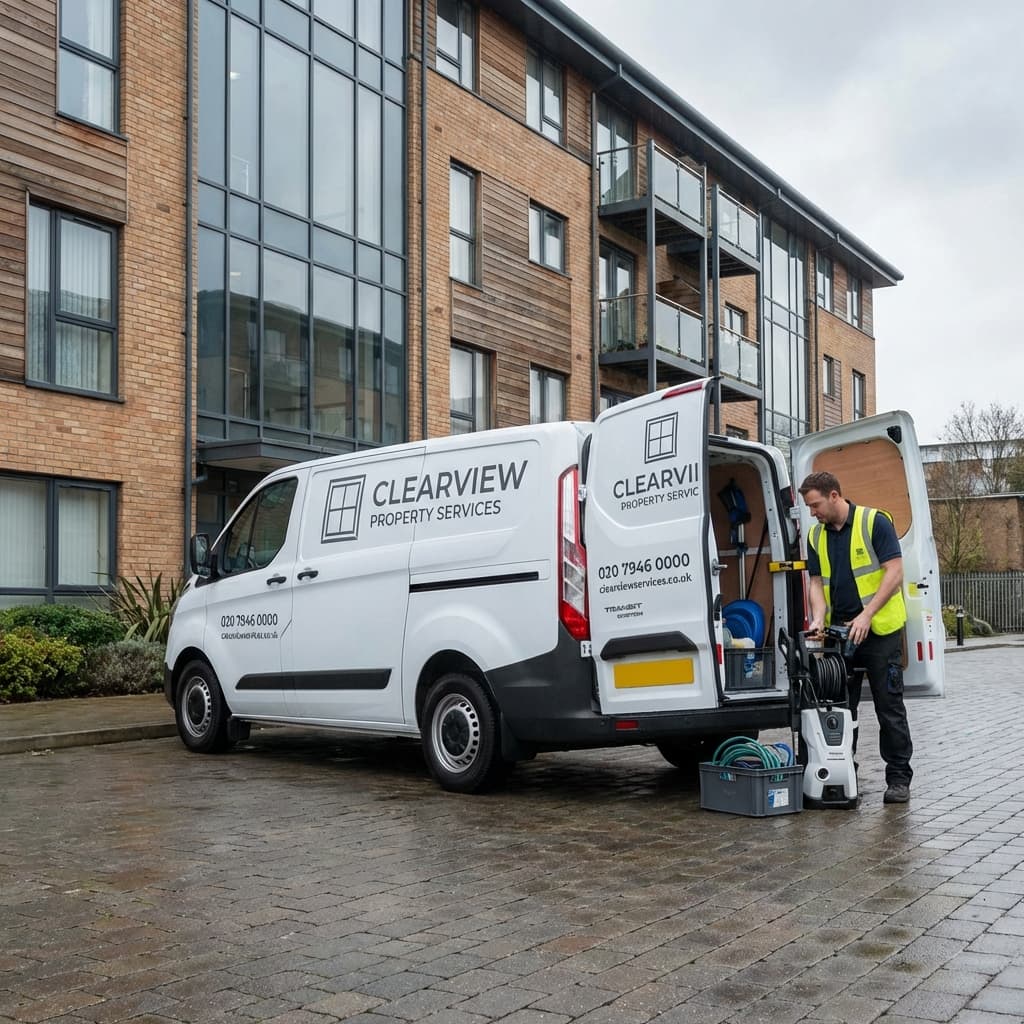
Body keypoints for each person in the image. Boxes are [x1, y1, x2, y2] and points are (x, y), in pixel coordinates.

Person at [798, 471, 913, 804]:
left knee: (888, 707)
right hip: (838, 635)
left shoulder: (874, 522)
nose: (812, 512)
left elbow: (895, 571)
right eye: (809, 507)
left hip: (878, 631)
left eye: (815, 504)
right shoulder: (816, 536)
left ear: (834, 496)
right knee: (839, 710)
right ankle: (844, 773)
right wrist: (818, 617)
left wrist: (867, 614)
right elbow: (816, 582)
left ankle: (898, 779)